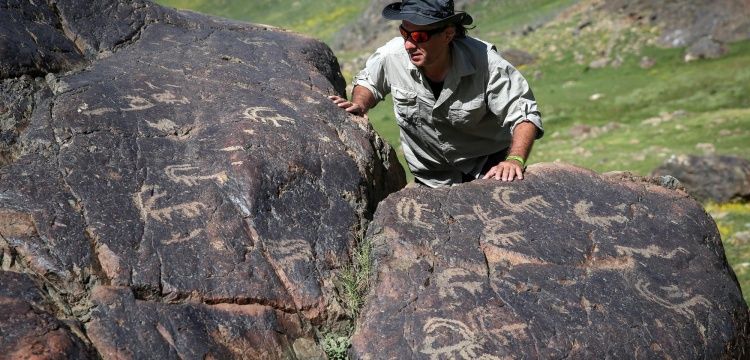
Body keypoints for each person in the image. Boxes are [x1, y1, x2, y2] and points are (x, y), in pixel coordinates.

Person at [329, 0, 543, 188]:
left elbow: (524, 115)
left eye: (419, 36)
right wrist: (359, 103)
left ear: (448, 34)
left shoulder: (488, 64)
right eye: (405, 33)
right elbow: (369, 82)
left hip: (488, 168)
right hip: (431, 179)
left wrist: (515, 159)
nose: (409, 44)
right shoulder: (392, 55)